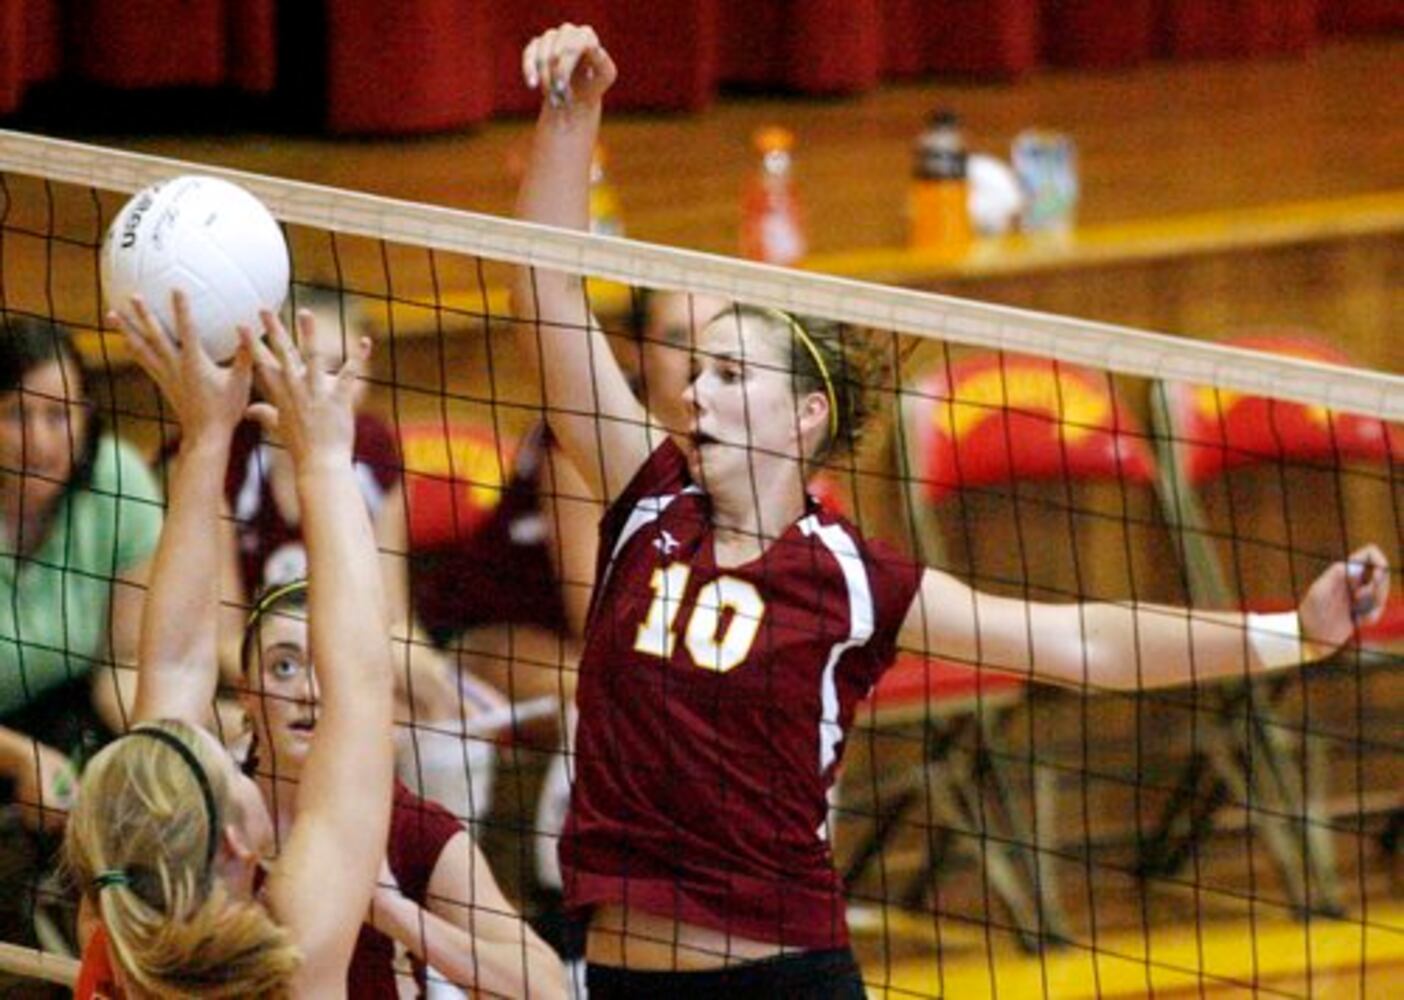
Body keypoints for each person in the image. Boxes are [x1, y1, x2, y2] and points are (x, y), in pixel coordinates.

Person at [511, 24, 1393, 997]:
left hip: (781, 978)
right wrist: (572, 118)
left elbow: (1082, 643)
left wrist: (1292, 632)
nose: (694, 393)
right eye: (694, 369)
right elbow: (543, 285)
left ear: (806, 416)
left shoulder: (852, 577)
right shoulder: (647, 496)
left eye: (730, 373)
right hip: (626, 979)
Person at [65, 291, 396, 996]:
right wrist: (327, 464)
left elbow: (177, 664)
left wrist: (206, 436)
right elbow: (362, 686)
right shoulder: (293, 955)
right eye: (228, 762)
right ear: (236, 844)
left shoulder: (110, 945)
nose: (225, 741)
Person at [241, 577, 565, 997]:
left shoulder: (411, 829)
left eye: (329, 667)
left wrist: (395, 912)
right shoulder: (214, 817)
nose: (308, 692)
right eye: (284, 667)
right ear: (247, 694)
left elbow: (546, 989)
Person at [0, 317, 159, 967]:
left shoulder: (118, 479)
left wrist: (161, 750)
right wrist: (21, 762)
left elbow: (126, 662)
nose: (39, 441)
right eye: (14, 414)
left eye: (59, 416)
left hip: (73, 710)